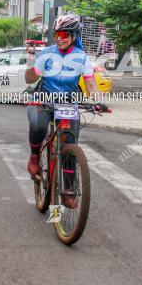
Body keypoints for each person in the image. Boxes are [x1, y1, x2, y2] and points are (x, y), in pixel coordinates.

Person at [24, 14, 105, 179]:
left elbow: (90, 85)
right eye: (57, 35)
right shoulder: (46, 54)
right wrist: (31, 62)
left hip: (68, 102)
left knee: (69, 142)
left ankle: (69, 185)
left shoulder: (81, 58)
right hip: (44, 98)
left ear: (74, 36)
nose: (59, 39)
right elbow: (30, 79)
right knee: (39, 126)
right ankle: (34, 156)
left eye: (64, 35)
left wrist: (98, 102)